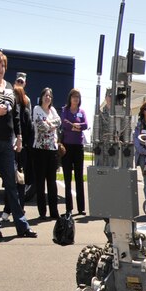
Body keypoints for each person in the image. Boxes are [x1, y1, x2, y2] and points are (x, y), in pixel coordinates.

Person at [0, 50, 36, 240]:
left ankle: (22, 226)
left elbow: (16, 115)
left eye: (3, 66)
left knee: (12, 185)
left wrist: (18, 137)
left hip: (8, 143)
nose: (1, 69)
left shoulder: (9, 87)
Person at [31, 87, 63, 221]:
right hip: (39, 150)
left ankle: (54, 211)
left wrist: (49, 123)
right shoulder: (37, 109)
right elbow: (40, 126)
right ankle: (42, 212)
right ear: (41, 97)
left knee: (52, 182)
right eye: (45, 95)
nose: (47, 97)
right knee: (40, 182)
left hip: (52, 150)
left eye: (49, 96)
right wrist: (51, 125)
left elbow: (59, 121)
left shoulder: (53, 110)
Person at [60, 88, 89, 217]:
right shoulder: (65, 110)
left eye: (78, 97)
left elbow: (85, 125)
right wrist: (76, 126)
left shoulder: (81, 112)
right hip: (67, 147)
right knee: (67, 178)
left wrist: (74, 126)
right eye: (73, 97)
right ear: (70, 98)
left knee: (78, 178)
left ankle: (81, 208)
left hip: (78, 147)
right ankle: (69, 208)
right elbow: (65, 124)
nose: (75, 99)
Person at [13, 72, 33, 205]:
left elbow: (28, 123)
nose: (20, 83)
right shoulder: (10, 96)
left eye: (22, 82)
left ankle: (19, 206)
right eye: (18, 81)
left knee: (19, 177)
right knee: (10, 177)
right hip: (9, 142)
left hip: (21, 145)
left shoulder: (27, 101)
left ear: (25, 84)